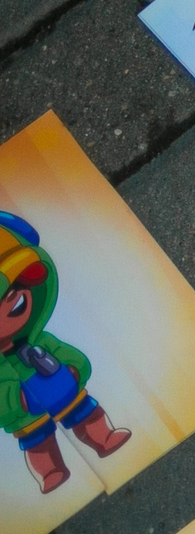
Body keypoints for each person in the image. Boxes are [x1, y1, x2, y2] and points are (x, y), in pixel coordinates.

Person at [0, 211, 129, 494]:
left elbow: (71, 355)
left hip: (65, 391)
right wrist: (16, 400)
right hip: (28, 416)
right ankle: (50, 472)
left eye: (17, 303)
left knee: (87, 414)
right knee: (38, 443)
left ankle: (103, 437)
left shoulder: (39, 340)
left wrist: (73, 369)